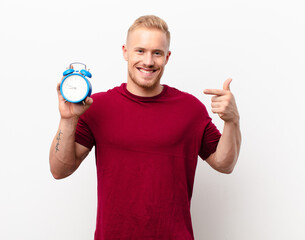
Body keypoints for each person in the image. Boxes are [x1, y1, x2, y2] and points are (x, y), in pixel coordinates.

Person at [49, 15, 241, 240]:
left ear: (167, 57)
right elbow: (59, 170)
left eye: (157, 53)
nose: (148, 61)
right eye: (140, 51)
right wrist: (67, 119)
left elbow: (224, 164)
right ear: (125, 52)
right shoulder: (96, 106)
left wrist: (232, 120)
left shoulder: (190, 109)